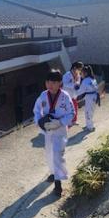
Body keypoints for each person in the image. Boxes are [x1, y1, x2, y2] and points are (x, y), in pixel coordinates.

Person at [33, 69, 75, 197]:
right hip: (48, 129)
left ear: (60, 83)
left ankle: (58, 182)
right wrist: (39, 121)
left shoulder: (65, 96)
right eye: (48, 82)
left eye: (54, 82)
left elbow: (71, 113)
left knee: (57, 154)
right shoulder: (43, 95)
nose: (50, 85)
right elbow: (36, 110)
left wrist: (60, 122)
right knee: (49, 153)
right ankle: (53, 173)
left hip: (60, 129)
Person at [76, 65, 100, 131]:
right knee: (91, 111)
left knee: (88, 111)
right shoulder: (93, 79)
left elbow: (81, 91)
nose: (81, 75)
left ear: (85, 73)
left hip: (90, 97)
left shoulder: (85, 80)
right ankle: (89, 125)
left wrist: (74, 93)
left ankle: (90, 127)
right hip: (94, 96)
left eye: (81, 73)